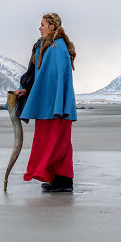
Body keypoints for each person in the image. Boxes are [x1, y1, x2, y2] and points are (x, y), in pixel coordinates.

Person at [13, 13, 77, 192]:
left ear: (52, 27)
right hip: (48, 105)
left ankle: (64, 181)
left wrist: (59, 104)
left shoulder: (58, 47)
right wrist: (25, 89)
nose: (39, 28)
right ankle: (58, 179)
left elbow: (60, 79)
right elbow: (39, 75)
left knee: (58, 143)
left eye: (42, 24)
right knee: (49, 142)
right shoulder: (44, 47)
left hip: (57, 106)